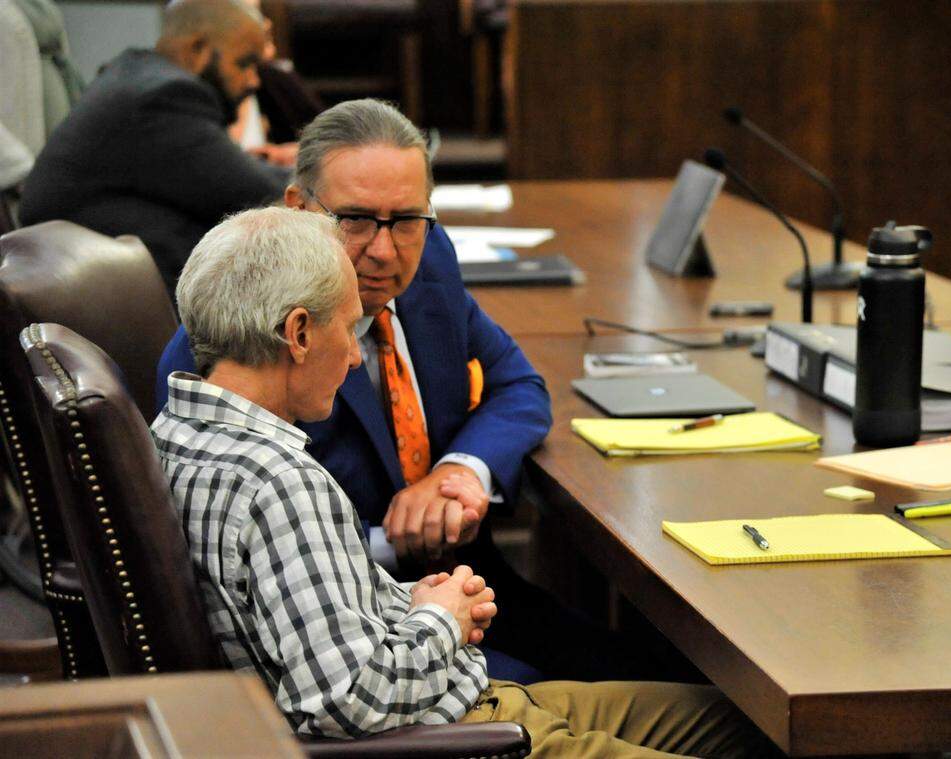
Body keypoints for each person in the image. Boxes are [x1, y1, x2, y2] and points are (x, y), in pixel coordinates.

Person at [151, 205, 771, 756]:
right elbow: (346, 700)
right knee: (762, 735)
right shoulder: (281, 484)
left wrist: (419, 602)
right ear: (299, 333)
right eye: (348, 329)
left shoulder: (172, 433)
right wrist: (442, 621)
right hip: (464, 738)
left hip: (471, 702)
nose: (354, 356)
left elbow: (305, 619)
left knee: (749, 723)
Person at [156, 98, 698, 684]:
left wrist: (459, 473)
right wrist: (402, 538)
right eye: (355, 220)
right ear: (299, 209)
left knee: (673, 675)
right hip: (370, 634)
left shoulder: (427, 261)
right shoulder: (232, 347)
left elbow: (517, 384)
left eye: (407, 220)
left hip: (474, 588)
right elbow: (244, 560)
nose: (384, 250)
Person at [19, 0, 288, 298]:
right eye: (244, 64)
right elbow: (259, 192)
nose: (253, 81)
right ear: (196, 49)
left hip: (90, 280)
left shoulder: (138, 75)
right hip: (116, 300)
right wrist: (319, 165)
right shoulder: (165, 97)